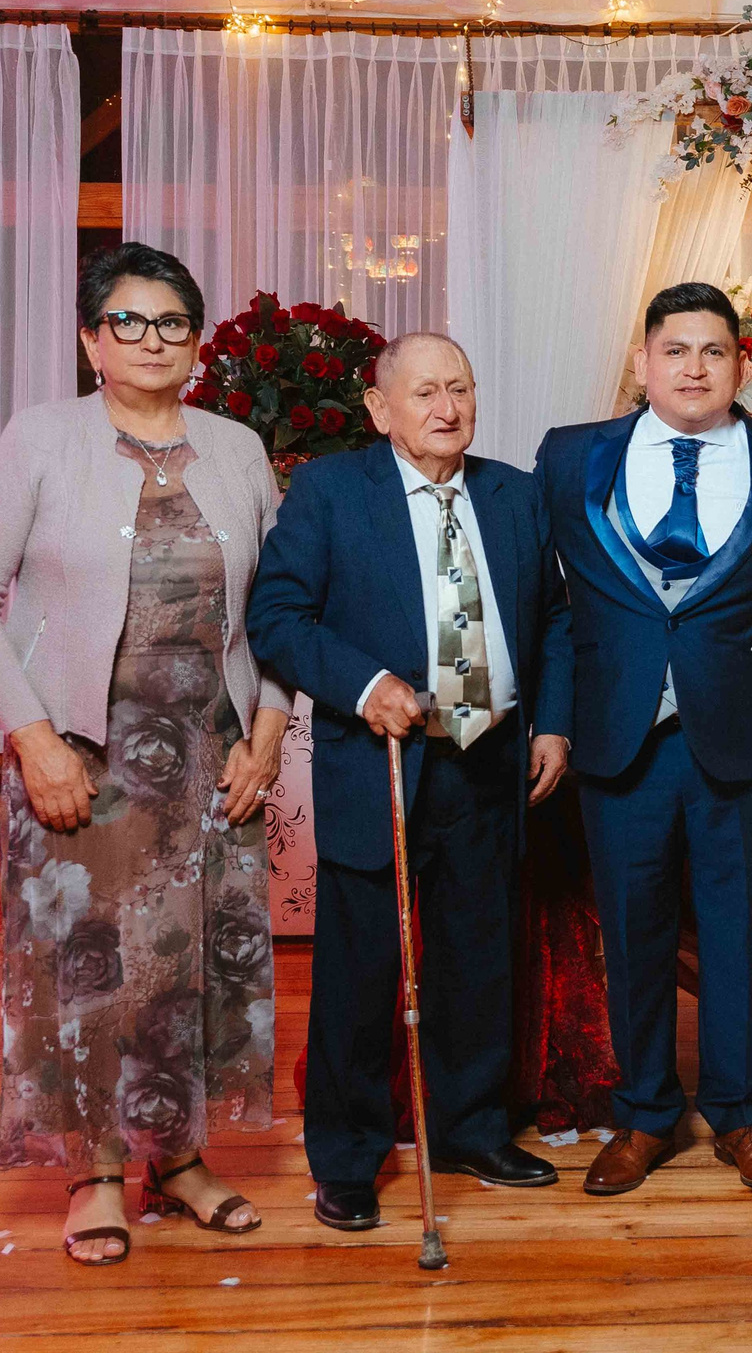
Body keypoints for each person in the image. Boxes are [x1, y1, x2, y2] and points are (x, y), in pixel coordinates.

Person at [0, 242, 291, 1267]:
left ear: (196, 339)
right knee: (89, 969)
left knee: (189, 968)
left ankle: (176, 1161)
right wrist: (32, 737)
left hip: (209, 756)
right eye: (127, 322)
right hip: (83, 760)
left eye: (171, 321)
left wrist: (267, 734)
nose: (151, 340)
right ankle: (94, 1171)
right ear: (93, 340)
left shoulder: (236, 447)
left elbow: (280, 607)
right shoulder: (40, 439)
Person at [245, 332, 573, 1232]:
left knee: (478, 958)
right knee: (363, 971)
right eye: (424, 391)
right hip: (385, 760)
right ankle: (347, 1159)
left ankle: (470, 1126)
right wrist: (364, 684)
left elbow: (550, 620)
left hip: (492, 759)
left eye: (460, 388)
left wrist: (553, 722)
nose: (447, 407)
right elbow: (277, 617)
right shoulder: (329, 492)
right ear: (380, 407)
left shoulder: (513, 492)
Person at [535, 281, 752, 1197]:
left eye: (713, 352)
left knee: (744, 931)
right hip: (616, 734)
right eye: (675, 351)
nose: (694, 368)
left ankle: (745, 1115)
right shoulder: (569, 457)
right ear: (643, 362)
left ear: (743, 365)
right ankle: (645, 1113)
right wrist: (549, 717)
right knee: (634, 932)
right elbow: (544, 602)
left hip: (737, 735)